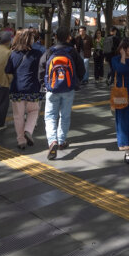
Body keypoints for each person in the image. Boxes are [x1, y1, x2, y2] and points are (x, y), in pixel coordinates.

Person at [40, 26, 86, 159]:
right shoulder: (72, 52)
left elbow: (41, 68)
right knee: (65, 115)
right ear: (68, 37)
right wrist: (75, 81)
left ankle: (52, 141)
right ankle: (61, 141)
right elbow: (81, 69)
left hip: (52, 88)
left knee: (50, 116)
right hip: (68, 88)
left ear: (55, 37)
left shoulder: (50, 51)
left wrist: (44, 84)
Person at [4, 28, 45, 151]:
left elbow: (7, 70)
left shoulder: (13, 54)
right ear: (29, 39)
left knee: (18, 115)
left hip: (16, 88)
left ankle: (21, 140)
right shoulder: (37, 54)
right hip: (33, 88)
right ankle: (28, 130)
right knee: (33, 111)